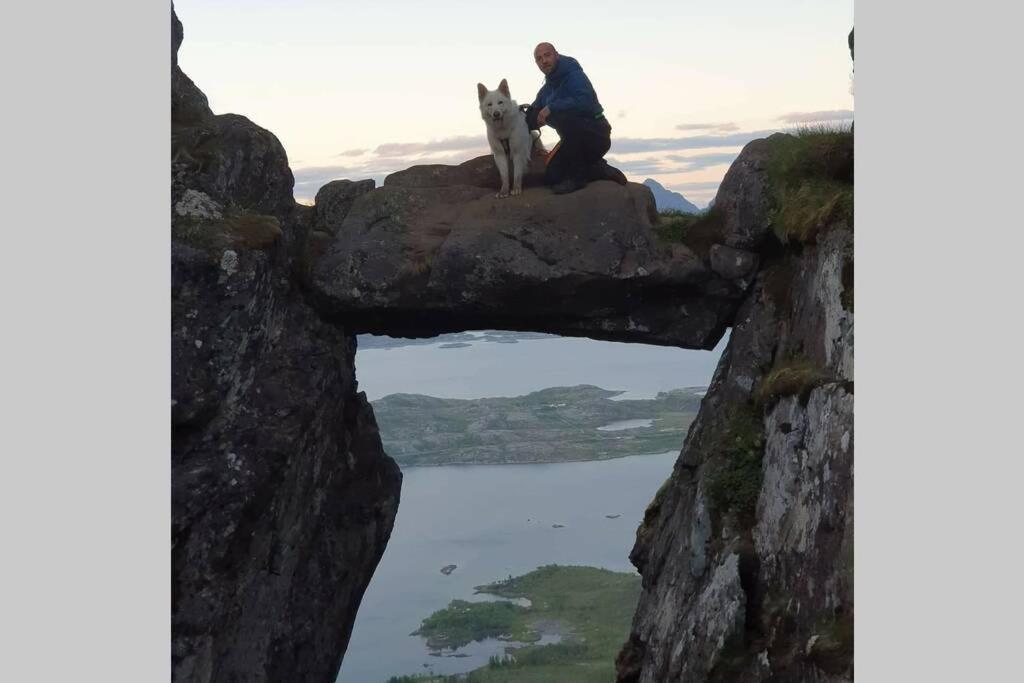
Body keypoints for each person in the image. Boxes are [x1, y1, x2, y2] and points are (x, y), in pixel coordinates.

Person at [525, 42, 628, 194]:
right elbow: (534, 112)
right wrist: (520, 117)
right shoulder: (547, 89)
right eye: (539, 59)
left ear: (556, 55)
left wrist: (551, 108)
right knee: (552, 177)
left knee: (562, 114)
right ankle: (597, 168)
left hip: (595, 134)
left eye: (547, 55)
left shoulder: (573, 74)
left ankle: (577, 178)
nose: (544, 61)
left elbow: (584, 101)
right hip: (572, 142)